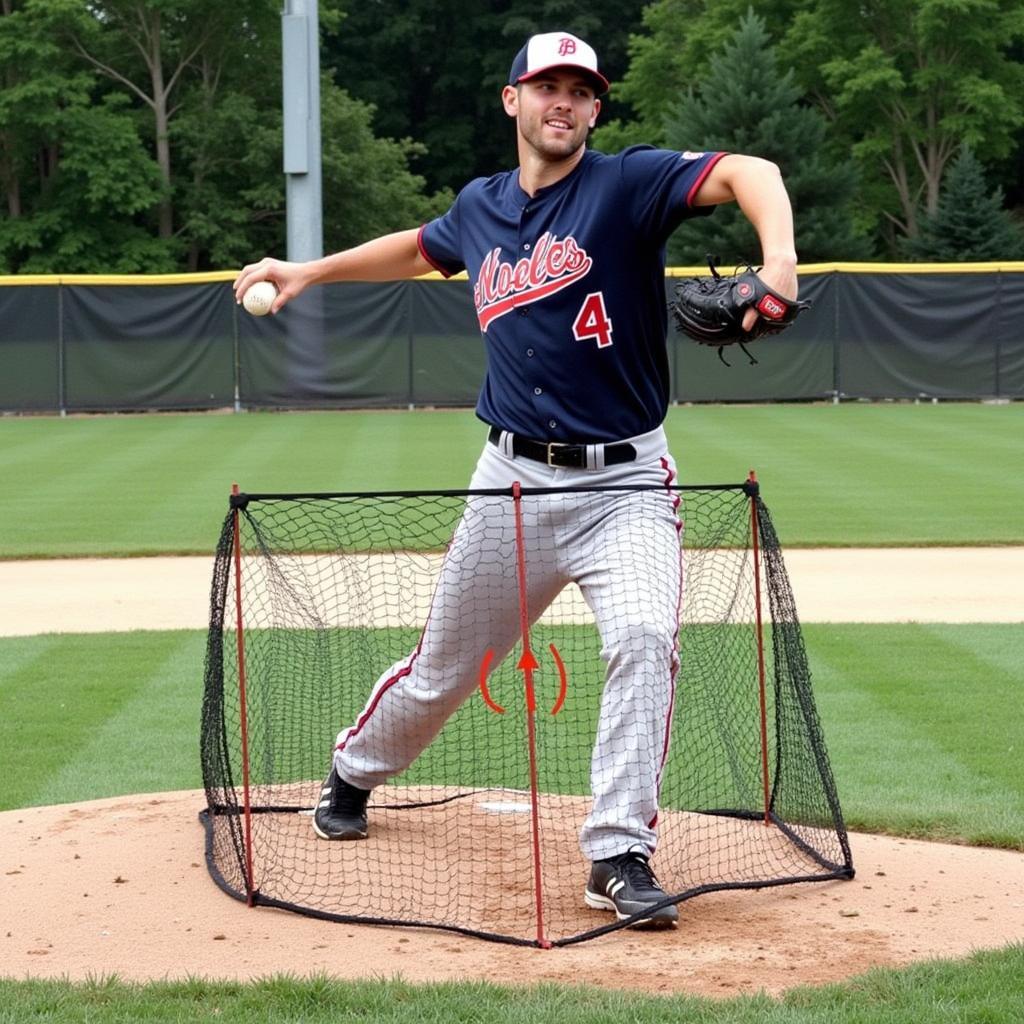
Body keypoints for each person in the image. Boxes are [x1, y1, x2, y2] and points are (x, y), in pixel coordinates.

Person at [234, 31, 800, 930]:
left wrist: (778, 262)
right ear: (513, 101)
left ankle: (617, 852)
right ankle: (354, 769)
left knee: (648, 637)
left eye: (580, 89)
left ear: (596, 109)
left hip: (627, 484)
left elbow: (751, 171)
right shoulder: (482, 206)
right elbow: (420, 247)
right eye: (547, 86)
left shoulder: (626, 185)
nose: (563, 102)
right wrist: (308, 271)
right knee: (447, 669)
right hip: (511, 482)